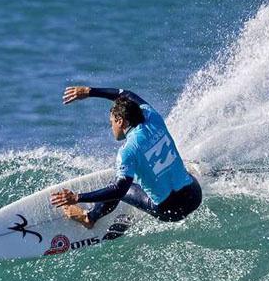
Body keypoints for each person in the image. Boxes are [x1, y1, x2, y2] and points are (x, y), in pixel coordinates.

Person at [49, 86, 202, 228]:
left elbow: (118, 191)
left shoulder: (128, 151)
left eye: (111, 123)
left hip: (170, 211)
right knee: (172, 169)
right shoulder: (153, 116)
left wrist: (78, 197)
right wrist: (90, 91)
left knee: (115, 184)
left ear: (120, 121)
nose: (111, 127)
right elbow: (126, 94)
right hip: (194, 195)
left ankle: (89, 218)